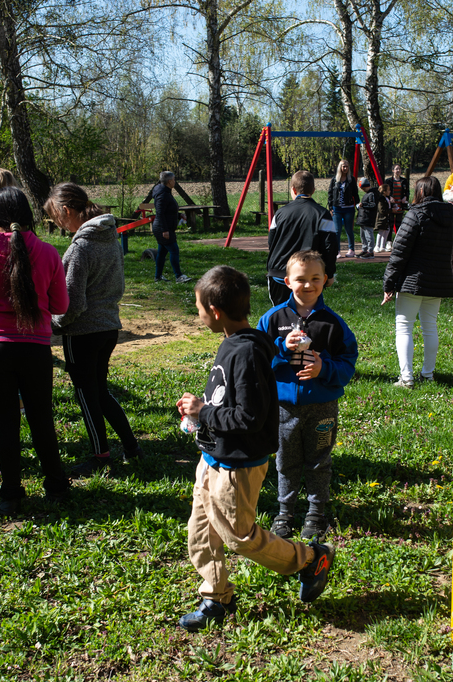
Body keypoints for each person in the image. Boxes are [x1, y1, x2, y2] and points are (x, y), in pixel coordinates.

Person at [176, 265, 335, 632]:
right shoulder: (232, 341)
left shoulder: (246, 353)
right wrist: (200, 409)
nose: (198, 314)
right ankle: (216, 597)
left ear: (215, 311)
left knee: (239, 536)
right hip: (212, 457)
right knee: (201, 534)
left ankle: (310, 559)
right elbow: (226, 398)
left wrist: (206, 412)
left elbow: (249, 416)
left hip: (237, 465)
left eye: (199, 308)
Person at [0, 187, 70, 515]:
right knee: (41, 418)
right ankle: (56, 484)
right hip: (35, 350)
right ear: (29, 216)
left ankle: (10, 493)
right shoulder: (48, 253)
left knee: (4, 424)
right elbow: (61, 304)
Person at [44, 182, 144, 476]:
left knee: (86, 394)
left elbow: (72, 301)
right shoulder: (109, 238)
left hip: (83, 331)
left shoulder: (80, 246)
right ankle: (131, 447)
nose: (57, 224)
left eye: (55, 217)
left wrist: (55, 325)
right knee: (100, 390)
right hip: (108, 328)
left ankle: (100, 455)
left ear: (66, 210)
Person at [257, 250, 358, 541]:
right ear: (287, 281)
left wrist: (323, 368)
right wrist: (280, 346)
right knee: (285, 460)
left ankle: (316, 512)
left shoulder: (333, 323)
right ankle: (284, 511)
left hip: (321, 406)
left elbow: (348, 360)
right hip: (283, 407)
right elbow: (256, 357)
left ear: (325, 280)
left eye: (315, 279)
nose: (308, 285)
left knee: (318, 460)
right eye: (301, 279)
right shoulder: (273, 319)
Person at [382, 176, 453, 388]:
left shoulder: (414, 215)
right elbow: (452, 252)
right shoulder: (450, 217)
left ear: (421, 191)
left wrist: (389, 283)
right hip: (437, 281)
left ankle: (406, 378)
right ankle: (428, 374)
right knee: (430, 327)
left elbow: (399, 253)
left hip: (412, 282)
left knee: (404, 327)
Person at [266, 170, 337, 306]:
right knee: (308, 315)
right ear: (314, 190)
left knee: (280, 315)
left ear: (293, 189)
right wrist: (330, 273)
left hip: (279, 273)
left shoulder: (279, 213)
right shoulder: (322, 214)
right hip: (308, 275)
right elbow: (330, 246)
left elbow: (271, 242)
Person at [152, 171, 191, 284]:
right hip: (163, 228)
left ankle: (158, 277)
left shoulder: (165, 191)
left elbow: (167, 210)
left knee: (162, 253)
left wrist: (179, 215)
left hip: (164, 227)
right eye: (174, 179)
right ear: (169, 181)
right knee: (174, 250)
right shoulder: (162, 194)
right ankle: (179, 276)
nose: (175, 181)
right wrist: (164, 230)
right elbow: (160, 213)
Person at [327, 160, 359, 258]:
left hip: (349, 208)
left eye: (347, 167)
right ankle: (337, 251)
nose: (345, 168)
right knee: (337, 230)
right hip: (337, 208)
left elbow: (355, 193)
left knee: (349, 229)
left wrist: (357, 204)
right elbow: (330, 194)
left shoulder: (351, 179)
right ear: (340, 167)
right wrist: (330, 207)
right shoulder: (334, 180)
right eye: (343, 166)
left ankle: (351, 250)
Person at [355, 177, 382, 259]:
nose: (363, 190)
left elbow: (373, 205)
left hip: (368, 218)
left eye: (363, 188)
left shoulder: (372, 194)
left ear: (367, 186)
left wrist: (363, 205)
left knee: (368, 235)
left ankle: (370, 251)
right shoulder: (368, 194)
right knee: (363, 235)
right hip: (363, 218)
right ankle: (364, 249)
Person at [375, 182, 393, 253]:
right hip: (381, 218)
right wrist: (391, 210)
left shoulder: (387, 198)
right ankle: (377, 246)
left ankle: (382, 246)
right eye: (388, 190)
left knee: (386, 231)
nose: (390, 191)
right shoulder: (381, 199)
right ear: (384, 191)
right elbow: (382, 210)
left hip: (386, 218)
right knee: (381, 232)